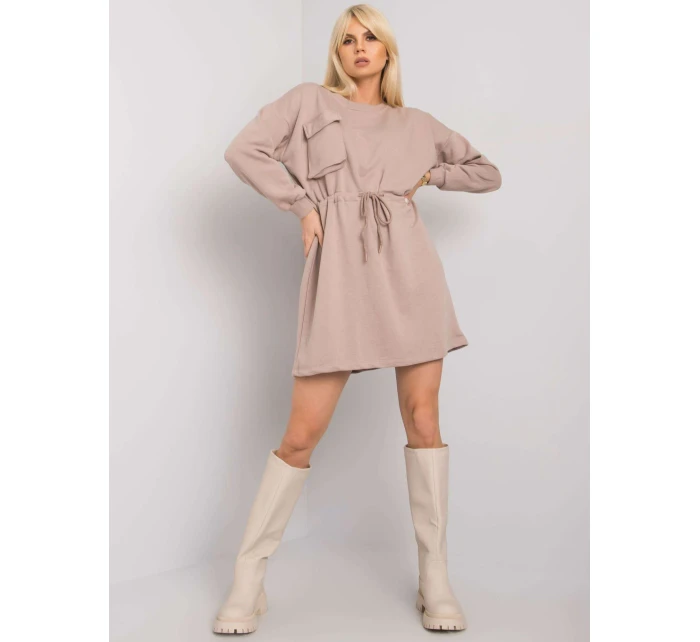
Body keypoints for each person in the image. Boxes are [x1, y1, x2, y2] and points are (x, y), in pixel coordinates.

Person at [213, 4, 502, 635]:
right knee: (301, 433)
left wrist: (431, 174)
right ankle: (248, 577)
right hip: (341, 274)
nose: (360, 47)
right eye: (347, 40)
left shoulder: (417, 124)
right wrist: (301, 203)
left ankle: (434, 578)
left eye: (370, 37)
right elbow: (243, 150)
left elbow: (488, 172)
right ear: (337, 53)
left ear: (388, 50)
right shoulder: (308, 102)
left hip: (411, 275)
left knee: (423, 419)